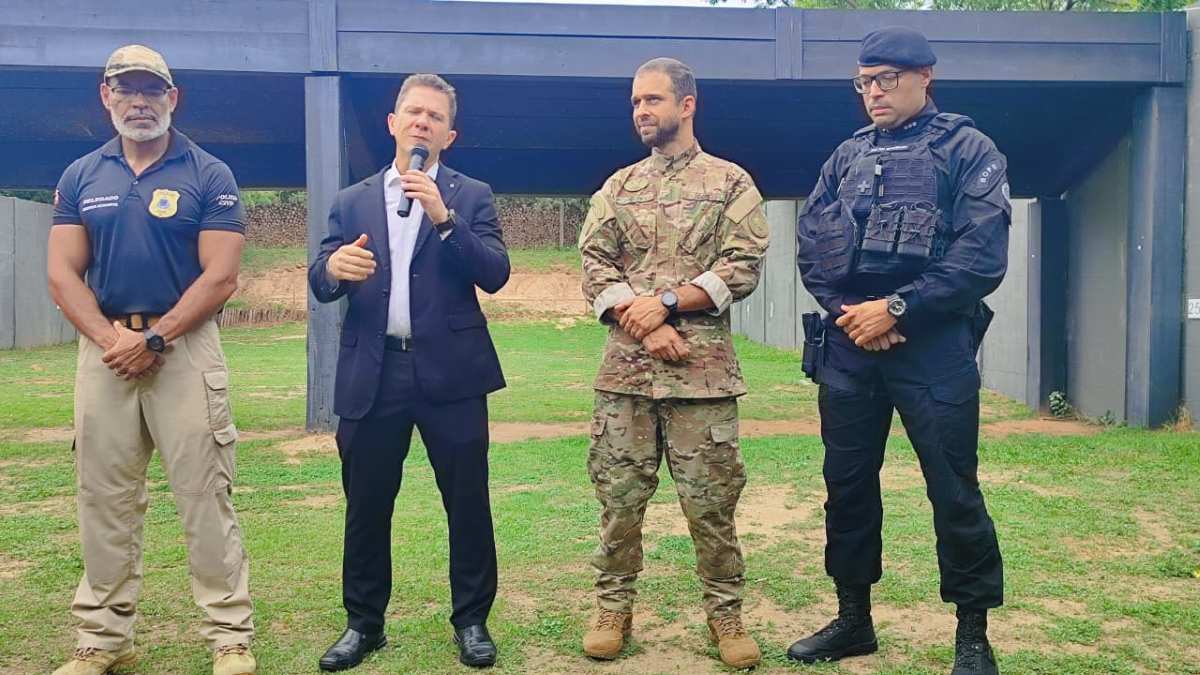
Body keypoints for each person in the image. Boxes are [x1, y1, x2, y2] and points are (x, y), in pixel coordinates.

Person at [791, 26, 1010, 675]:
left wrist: (897, 307)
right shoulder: (846, 156)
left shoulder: (968, 149)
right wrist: (850, 313)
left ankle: (973, 635)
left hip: (933, 345)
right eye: (864, 82)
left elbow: (980, 256)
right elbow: (813, 242)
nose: (874, 92)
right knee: (847, 486)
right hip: (851, 344)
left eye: (886, 79)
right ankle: (853, 618)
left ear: (924, 77)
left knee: (953, 488)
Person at [47, 45, 256, 675]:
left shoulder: (209, 174)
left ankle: (229, 636)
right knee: (103, 497)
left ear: (173, 98)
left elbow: (220, 276)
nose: (139, 102)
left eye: (151, 90)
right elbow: (62, 273)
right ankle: (103, 639)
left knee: (204, 493)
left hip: (184, 349)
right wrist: (112, 339)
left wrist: (156, 339)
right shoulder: (81, 176)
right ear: (105, 96)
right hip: (105, 351)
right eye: (126, 89)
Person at [308, 73, 509, 671]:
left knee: (466, 502)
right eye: (413, 113)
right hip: (373, 373)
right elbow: (319, 276)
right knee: (366, 505)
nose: (422, 122)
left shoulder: (472, 195)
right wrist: (333, 269)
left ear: (450, 134)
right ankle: (363, 625)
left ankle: (471, 620)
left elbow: (495, 273)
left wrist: (445, 218)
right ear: (393, 124)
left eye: (435, 116)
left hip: (452, 374)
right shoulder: (353, 200)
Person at [577, 57, 769, 670]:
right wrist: (644, 323)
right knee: (619, 499)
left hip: (701, 378)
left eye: (653, 100)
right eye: (636, 101)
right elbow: (594, 263)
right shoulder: (618, 187)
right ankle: (612, 608)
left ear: (687, 105)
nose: (641, 111)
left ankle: (726, 614)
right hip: (626, 378)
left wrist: (663, 305)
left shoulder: (731, 184)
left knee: (711, 504)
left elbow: (742, 264)